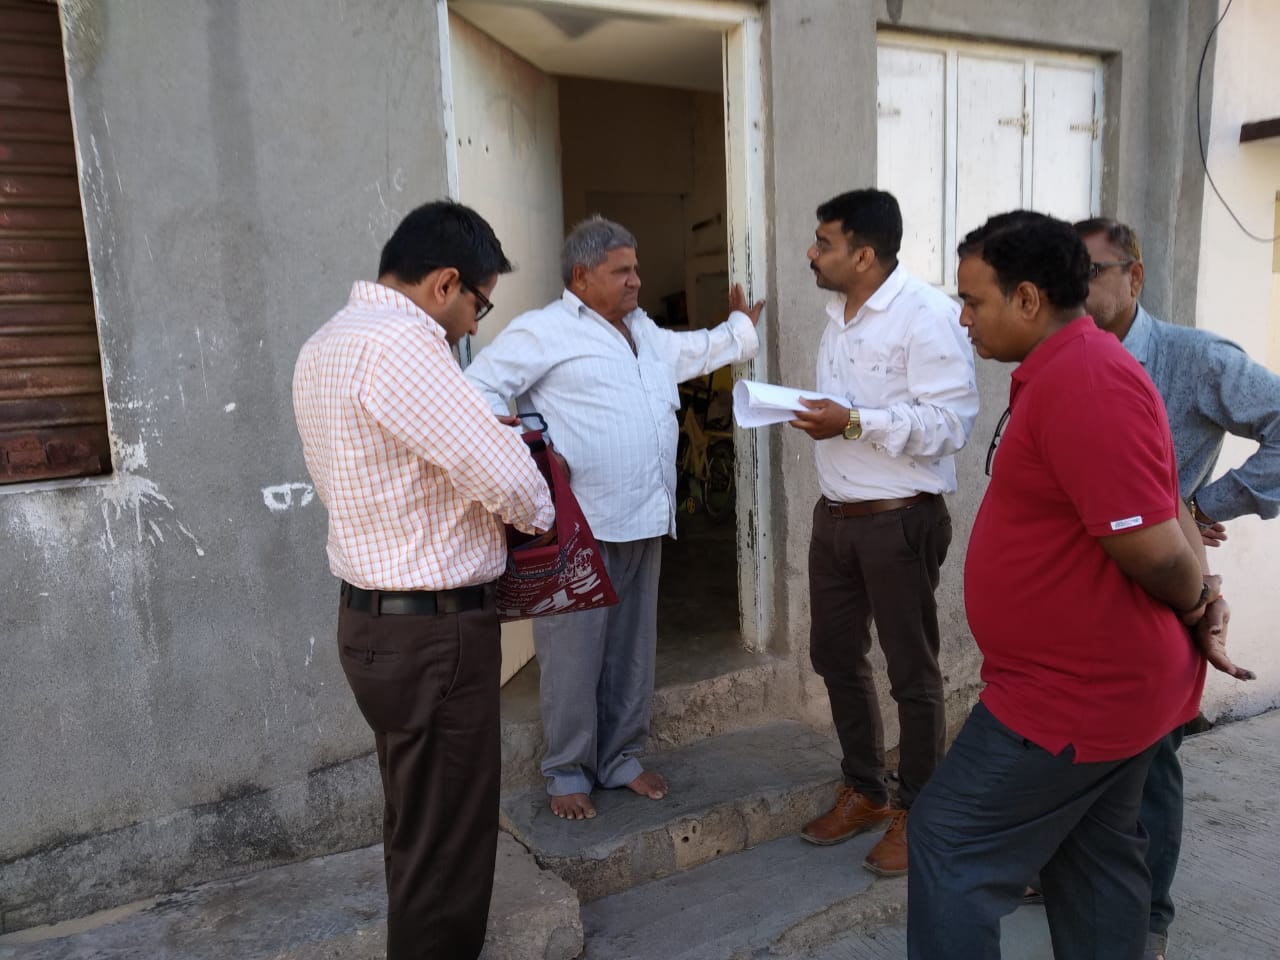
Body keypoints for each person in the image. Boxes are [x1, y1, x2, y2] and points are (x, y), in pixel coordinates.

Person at [908, 211, 1248, 960]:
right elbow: (1165, 498)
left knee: (949, 841)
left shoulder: (1086, 379)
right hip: (1091, 688)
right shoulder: (1073, 367)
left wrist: (1199, 599)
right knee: (1092, 857)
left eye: (973, 301)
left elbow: (1151, 544)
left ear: (1028, 299)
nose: (963, 319)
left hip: (1074, 696)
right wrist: (1201, 595)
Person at [292, 200, 555, 960]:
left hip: (373, 626)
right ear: (445, 283)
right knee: (448, 851)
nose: (474, 325)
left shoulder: (326, 344)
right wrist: (534, 502)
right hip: (434, 635)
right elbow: (517, 486)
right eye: (479, 304)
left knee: (418, 828)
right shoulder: (405, 346)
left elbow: (378, 472)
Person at [464, 215, 763, 821]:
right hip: (580, 530)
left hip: (644, 518)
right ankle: (566, 771)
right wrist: (532, 451)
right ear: (582, 277)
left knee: (632, 653)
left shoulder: (643, 331)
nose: (636, 280)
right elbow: (477, 391)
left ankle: (621, 758)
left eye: (636, 268)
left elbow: (693, 351)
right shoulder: (544, 331)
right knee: (572, 658)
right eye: (621, 271)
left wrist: (739, 329)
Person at [1075, 216, 1276, 960]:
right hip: (1076, 591)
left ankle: (1149, 921)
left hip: (1157, 591)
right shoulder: (1068, 356)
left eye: (1091, 272)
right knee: (1081, 747)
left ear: (1134, 276)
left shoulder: (1193, 358)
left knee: (1151, 761)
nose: (1075, 289)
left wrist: (1203, 505)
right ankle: (1073, 879)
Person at [787, 188, 979, 877]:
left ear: (864, 255)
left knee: (911, 673)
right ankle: (866, 791)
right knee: (835, 657)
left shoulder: (926, 315)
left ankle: (918, 810)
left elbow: (950, 424)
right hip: (835, 518)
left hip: (899, 520)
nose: (811, 253)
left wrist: (852, 422)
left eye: (825, 243)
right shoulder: (838, 316)